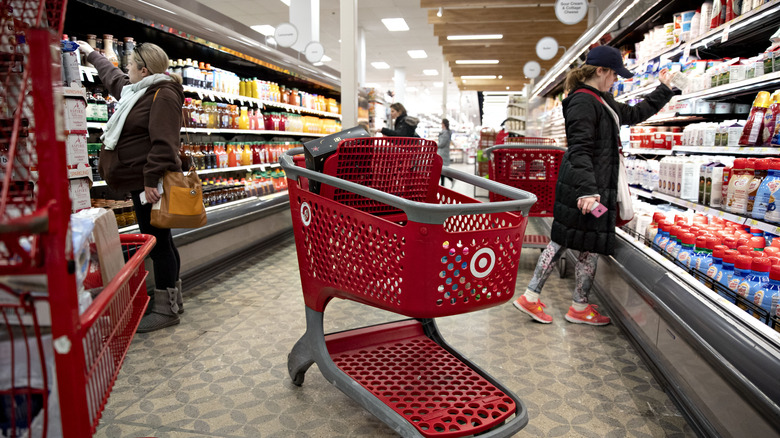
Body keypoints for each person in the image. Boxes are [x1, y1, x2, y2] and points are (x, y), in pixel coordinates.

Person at [512, 45, 676, 326]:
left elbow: (634, 114)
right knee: (565, 240)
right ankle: (534, 297)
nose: (616, 80)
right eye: (614, 75)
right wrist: (589, 191)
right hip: (585, 189)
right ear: (600, 71)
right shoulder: (582, 102)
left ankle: (575, 305)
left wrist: (664, 89)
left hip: (592, 187)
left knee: (584, 243)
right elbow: (580, 148)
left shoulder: (602, 100)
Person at [78, 41, 186, 333]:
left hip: (149, 182)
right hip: (141, 180)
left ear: (144, 69)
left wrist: (151, 180)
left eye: (130, 67)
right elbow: (115, 79)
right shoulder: (140, 91)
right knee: (163, 239)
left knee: (158, 242)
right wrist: (91, 53)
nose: (126, 72)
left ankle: (166, 309)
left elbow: (165, 143)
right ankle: (173, 300)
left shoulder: (163, 95)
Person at [437, 118, 454, 187]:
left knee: (441, 169)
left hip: (443, 153)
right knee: (441, 169)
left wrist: (435, 145)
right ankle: (442, 184)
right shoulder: (445, 132)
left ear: (444, 124)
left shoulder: (445, 133)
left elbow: (442, 144)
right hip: (442, 152)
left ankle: (450, 179)